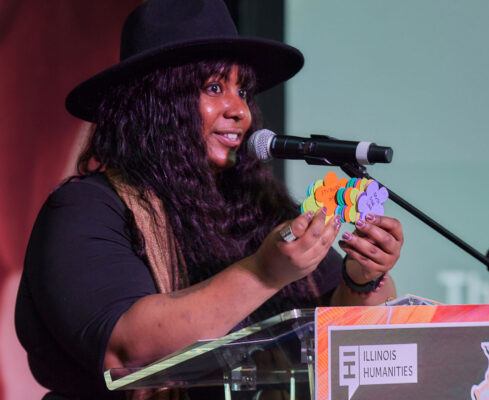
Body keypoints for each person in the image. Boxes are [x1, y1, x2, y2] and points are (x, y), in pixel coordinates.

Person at [15, 1, 403, 399]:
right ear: (158, 102)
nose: (241, 111)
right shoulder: (87, 209)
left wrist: (362, 279)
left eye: (244, 91)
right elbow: (127, 351)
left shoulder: (257, 208)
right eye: (215, 88)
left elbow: (332, 336)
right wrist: (261, 274)